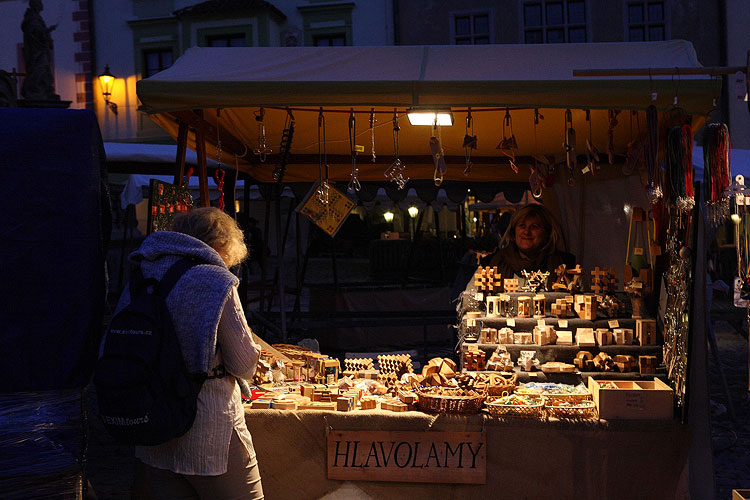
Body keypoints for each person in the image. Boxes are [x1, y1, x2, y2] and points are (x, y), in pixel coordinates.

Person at [127, 207, 263, 500]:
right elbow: (242, 363)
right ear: (222, 245)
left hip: (152, 418)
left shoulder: (142, 271)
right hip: (208, 424)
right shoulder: (217, 280)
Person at [481, 204, 574, 283]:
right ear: (514, 231)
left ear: (546, 232)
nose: (527, 232)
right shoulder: (490, 264)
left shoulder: (567, 266)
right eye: (522, 226)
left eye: (534, 227)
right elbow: (471, 300)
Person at [21, 0, 59, 101]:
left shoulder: (36, 17)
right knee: (40, 68)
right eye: (39, 3)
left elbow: (38, 32)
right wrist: (48, 30)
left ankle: (45, 89)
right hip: (36, 51)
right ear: (35, 5)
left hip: (41, 49)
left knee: (45, 68)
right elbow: (35, 32)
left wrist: (46, 34)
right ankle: (34, 89)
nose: (42, 5)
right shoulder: (32, 18)